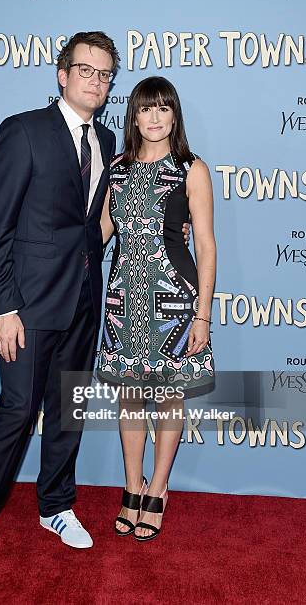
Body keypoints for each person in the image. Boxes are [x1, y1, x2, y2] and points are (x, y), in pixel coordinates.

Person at [0, 32, 191, 579]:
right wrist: (3, 309)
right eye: (86, 71)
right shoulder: (23, 131)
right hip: (26, 308)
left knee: (68, 414)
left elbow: (103, 225)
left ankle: (56, 505)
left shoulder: (108, 142)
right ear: (62, 73)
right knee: (17, 412)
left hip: (85, 301)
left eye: (105, 75)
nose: (96, 82)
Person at [97, 76, 216, 541]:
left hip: (174, 303)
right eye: (146, 109)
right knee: (130, 397)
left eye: (163, 109)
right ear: (134, 116)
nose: (154, 118)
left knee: (168, 398)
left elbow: (205, 245)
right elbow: (101, 233)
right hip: (123, 301)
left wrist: (203, 314)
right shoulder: (119, 168)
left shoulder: (192, 168)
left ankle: (159, 489)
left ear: (174, 115)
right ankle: (132, 486)